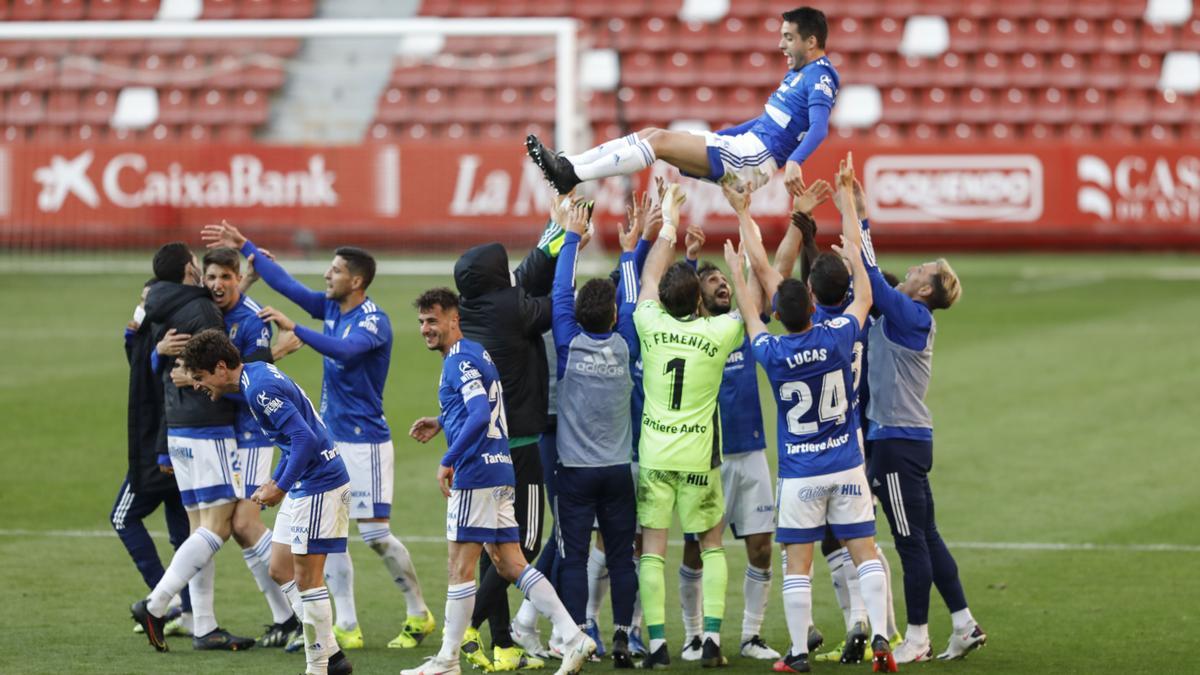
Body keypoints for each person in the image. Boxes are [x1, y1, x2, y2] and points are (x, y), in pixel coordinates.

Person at [201, 222, 432, 651]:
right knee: (333, 539)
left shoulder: (374, 320)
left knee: (377, 535)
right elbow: (286, 285)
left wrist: (297, 331)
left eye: (336, 270)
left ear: (356, 280)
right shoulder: (332, 309)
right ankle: (346, 624)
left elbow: (345, 351)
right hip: (327, 438)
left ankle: (418, 611)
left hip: (366, 441)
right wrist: (246, 246)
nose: (327, 275)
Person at [721, 157, 895, 673]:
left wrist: (742, 221)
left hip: (800, 472)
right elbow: (864, 292)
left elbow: (758, 293)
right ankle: (882, 636)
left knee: (797, 563)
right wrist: (848, 207)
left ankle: (798, 654)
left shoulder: (771, 353)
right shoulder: (843, 334)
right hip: (846, 461)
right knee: (865, 551)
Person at [674, 182, 831, 663]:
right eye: (712, 283)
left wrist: (797, 224)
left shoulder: (747, 323)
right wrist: (685, 258)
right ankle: (694, 634)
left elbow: (777, 270)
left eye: (724, 279)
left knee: (762, 549)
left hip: (751, 453)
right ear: (698, 300)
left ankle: (750, 635)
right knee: (698, 549)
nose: (723, 283)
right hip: (706, 456)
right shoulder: (690, 332)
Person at [403, 289, 596, 675]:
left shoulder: (457, 362)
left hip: (475, 473)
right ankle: (573, 637)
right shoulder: (476, 353)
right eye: (422, 321)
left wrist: (448, 458)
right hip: (500, 468)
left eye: (433, 321)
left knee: (460, 567)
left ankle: (447, 658)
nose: (426, 329)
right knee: (510, 562)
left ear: (454, 319)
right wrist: (443, 420)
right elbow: (484, 405)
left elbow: (477, 415)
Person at [851, 179, 984, 665]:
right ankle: (964, 624)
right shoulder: (909, 316)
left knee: (910, 543)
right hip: (910, 438)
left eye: (920, 269)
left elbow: (870, 271)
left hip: (895, 442)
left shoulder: (911, 315)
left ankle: (918, 637)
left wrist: (860, 214)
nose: (911, 269)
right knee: (927, 536)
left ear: (926, 289)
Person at [176, 328, 354, 675]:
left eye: (200, 377)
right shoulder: (253, 378)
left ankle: (318, 667)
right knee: (279, 569)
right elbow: (295, 439)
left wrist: (281, 486)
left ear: (222, 366)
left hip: (320, 484)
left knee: (308, 579)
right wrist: (276, 478)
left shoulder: (258, 389)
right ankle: (333, 658)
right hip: (306, 481)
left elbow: (305, 437)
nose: (197, 385)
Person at [527, 6, 837, 197]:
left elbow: (820, 128)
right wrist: (722, 136)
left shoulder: (820, 75)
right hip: (747, 148)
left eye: (789, 38)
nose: (780, 44)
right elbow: (764, 122)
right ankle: (569, 165)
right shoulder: (799, 72)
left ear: (811, 42)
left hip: (755, 160)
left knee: (659, 141)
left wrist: (796, 161)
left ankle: (573, 175)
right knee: (651, 133)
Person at [631, 183, 746, 668]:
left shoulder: (649, 323)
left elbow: (649, 275)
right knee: (712, 546)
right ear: (698, 300)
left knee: (653, 550)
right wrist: (738, 272)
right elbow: (755, 304)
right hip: (700, 458)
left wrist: (670, 225)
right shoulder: (719, 332)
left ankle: (657, 643)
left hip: (656, 457)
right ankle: (712, 637)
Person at [450, 207, 566, 670]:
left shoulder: (477, 306)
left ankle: (502, 645)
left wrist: (558, 227)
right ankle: (464, 629)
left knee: (493, 545)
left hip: (481, 449)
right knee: (528, 542)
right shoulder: (512, 309)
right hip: (518, 447)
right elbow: (555, 306)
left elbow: (527, 272)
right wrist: (571, 244)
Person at [130, 242, 254, 652]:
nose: (212, 283)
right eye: (207, 274)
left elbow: (148, 359)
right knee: (217, 527)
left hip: (178, 430)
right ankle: (157, 604)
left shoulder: (157, 304)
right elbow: (220, 369)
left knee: (200, 529)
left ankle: (204, 626)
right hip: (207, 426)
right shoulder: (200, 310)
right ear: (190, 269)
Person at [549, 203, 640, 667]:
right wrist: (630, 251)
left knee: (574, 559)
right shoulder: (626, 343)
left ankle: (580, 634)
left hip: (575, 473)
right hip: (618, 470)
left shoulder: (568, 345)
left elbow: (560, 293)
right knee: (623, 558)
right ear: (613, 317)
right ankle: (624, 636)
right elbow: (634, 302)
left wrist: (569, 237)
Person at [201, 246, 305, 647]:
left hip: (256, 431)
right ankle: (285, 617)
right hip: (234, 433)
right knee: (241, 530)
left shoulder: (251, 319)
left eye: (225, 277)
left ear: (235, 277)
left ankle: (301, 614)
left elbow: (256, 379)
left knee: (245, 524)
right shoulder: (218, 312)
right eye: (211, 277)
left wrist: (276, 352)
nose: (216, 285)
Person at [118, 278, 191, 637]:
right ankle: (190, 613)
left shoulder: (168, 340)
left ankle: (164, 599)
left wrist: (151, 350)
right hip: (179, 449)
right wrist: (134, 340)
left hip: (158, 452)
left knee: (122, 517)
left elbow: (152, 389)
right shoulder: (156, 334)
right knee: (183, 533)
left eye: (149, 301)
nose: (143, 307)